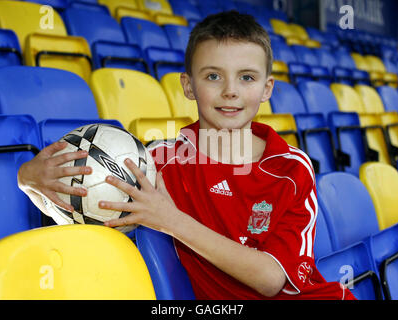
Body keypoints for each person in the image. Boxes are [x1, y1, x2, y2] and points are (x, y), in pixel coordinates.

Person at [18, 11, 356, 300]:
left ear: (266, 89)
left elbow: (269, 280)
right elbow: (85, 208)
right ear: (188, 85)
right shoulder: (158, 162)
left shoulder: (290, 169)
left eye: (247, 77)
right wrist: (29, 181)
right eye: (213, 76)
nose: (230, 90)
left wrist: (171, 220)